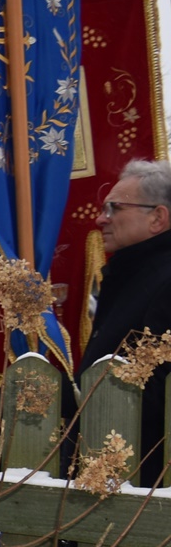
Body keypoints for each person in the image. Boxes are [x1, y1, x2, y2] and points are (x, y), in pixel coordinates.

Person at [80, 161, 171, 471]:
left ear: (157, 217)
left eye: (114, 208)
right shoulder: (130, 273)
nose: (100, 218)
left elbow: (151, 392)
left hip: (140, 476)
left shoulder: (165, 281)